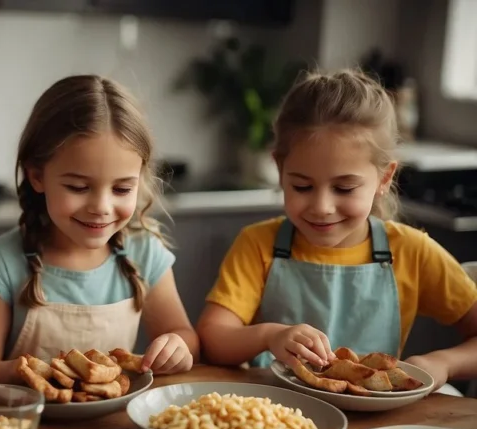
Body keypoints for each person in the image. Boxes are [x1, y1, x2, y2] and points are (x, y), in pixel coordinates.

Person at [197, 69, 477, 389]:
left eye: (344, 189)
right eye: (302, 186)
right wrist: (270, 335)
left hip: (373, 427)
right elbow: (212, 339)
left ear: (384, 179)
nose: (322, 206)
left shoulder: (412, 252)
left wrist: (443, 363)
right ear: (279, 169)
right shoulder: (258, 244)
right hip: (278, 419)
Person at [0, 74, 199, 384]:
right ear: (37, 175)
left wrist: (177, 348)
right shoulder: (3, 262)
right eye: (78, 187)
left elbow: (185, 337)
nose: (101, 206)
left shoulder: (145, 253)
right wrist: (27, 373)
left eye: (121, 189)